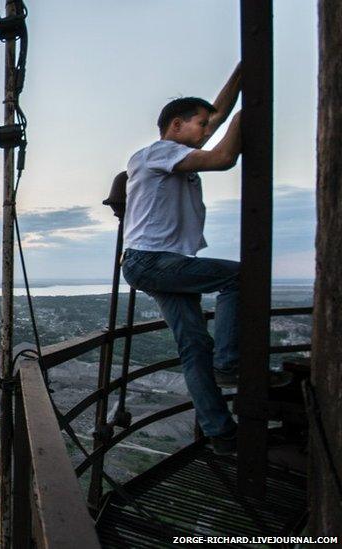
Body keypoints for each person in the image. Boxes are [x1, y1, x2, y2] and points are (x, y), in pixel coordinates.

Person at [119, 63, 287, 456]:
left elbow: (216, 116)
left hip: (157, 262)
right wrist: (251, 111)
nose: (205, 132)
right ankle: (230, 364)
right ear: (176, 125)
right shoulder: (159, 153)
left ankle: (222, 434)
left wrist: (246, 71)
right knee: (241, 278)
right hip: (152, 260)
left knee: (194, 348)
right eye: (199, 126)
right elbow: (226, 156)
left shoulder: (171, 157)